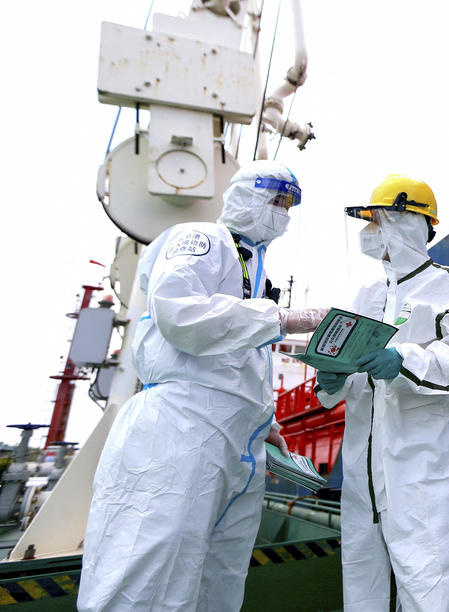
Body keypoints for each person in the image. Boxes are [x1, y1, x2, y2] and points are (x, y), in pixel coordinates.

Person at [79, 161, 328, 612]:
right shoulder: (200, 240)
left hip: (236, 439)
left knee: (220, 573)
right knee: (149, 564)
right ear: (244, 195)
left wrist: (263, 420)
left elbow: (235, 360)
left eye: (289, 204)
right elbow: (181, 315)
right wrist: (283, 317)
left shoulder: (254, 262)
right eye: (274, 199)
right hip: (182, 427)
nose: (282, 212)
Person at [314, 175, 449, 612]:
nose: (369, 233)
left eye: (377, 221)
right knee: (362, 582)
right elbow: (353, 367)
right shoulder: (367, 295)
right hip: (361, 472)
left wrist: (405, 360)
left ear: (407, 222)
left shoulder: (447, 284)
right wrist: (333, 382)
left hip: (420, 464)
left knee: (429, 582)